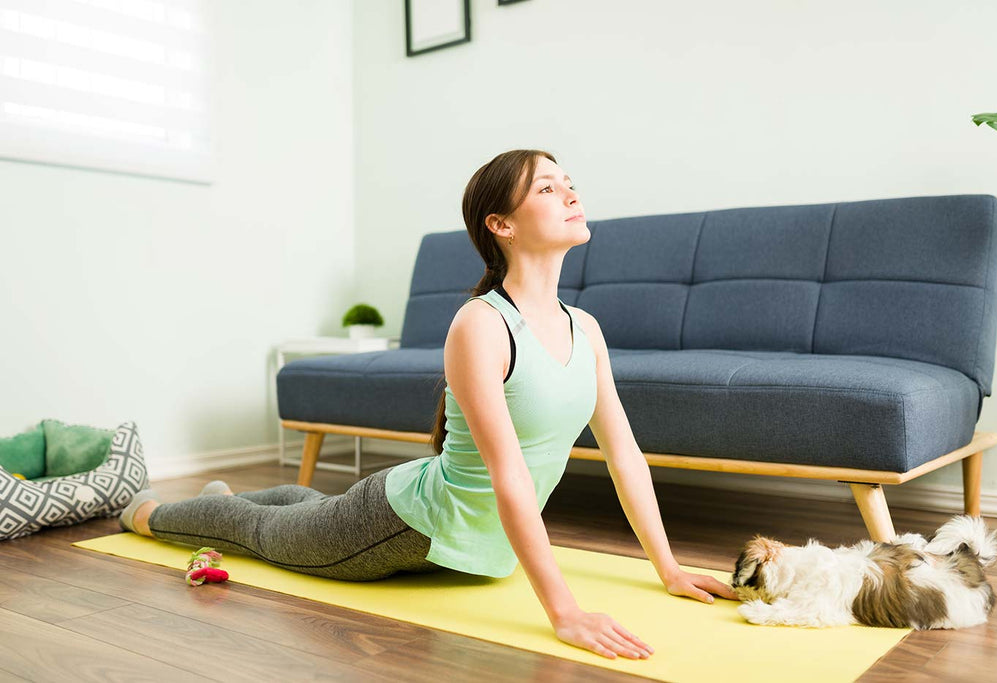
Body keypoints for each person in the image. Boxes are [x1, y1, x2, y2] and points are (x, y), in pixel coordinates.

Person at [120, 149, 737, 662]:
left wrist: (670, 569)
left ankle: (224, 501)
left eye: (569, 183)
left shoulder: (586, 328)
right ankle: (149, 514)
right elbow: (508, 474)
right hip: (406, 526)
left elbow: (624, 455)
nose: (571, 193)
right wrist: (564, 611)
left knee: (307, 511)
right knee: (263, 533)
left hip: (444, 529)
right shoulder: (482, 324)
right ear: (502, 224)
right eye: (548, 187)